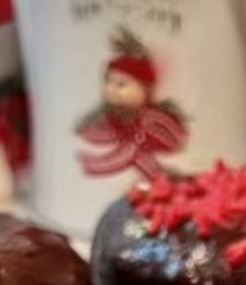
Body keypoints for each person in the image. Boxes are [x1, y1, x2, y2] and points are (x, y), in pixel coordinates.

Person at [75, 29, 187, 181]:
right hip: (136, 142)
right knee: (132, 146)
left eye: (121, 85)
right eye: (108, 82)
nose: (110, 89)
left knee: (134, 149)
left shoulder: (148, 116)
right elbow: (106, 131)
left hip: (160, 144)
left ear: (144, 90)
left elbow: (176, 137)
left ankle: (162, 181)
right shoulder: (114, 116)